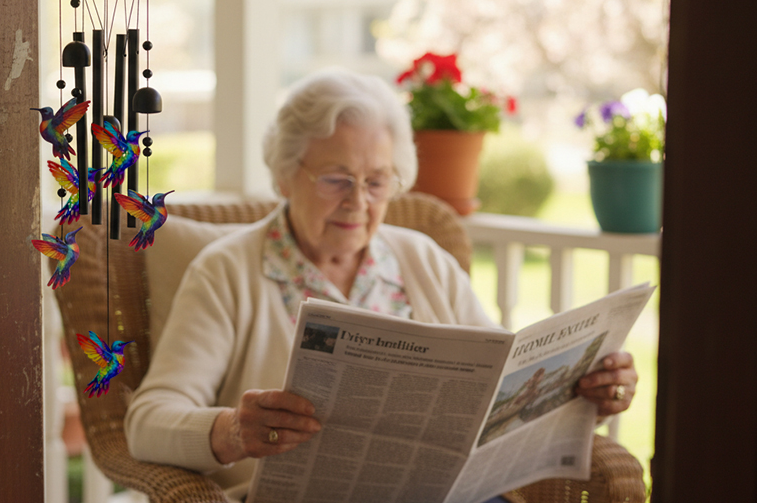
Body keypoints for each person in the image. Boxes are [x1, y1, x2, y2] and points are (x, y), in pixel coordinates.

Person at [124, 68, 638, 502]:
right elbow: (146, 422)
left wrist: (583, 393)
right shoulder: (226, 272)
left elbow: (501, 393)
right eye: (336, 179)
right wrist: (235, 430)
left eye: (376, 181)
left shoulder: (422, 260)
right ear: (284, 175)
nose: (358, 203)